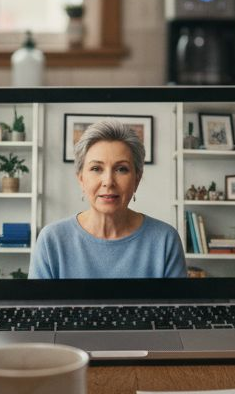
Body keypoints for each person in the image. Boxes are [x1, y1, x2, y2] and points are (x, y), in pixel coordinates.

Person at [31, 119, 187, 279]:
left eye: (121, 169)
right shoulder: (52, 240)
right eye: (96, 168)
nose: (108, 182)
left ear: (137, 180)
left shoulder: (165, 240)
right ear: (81, 179)